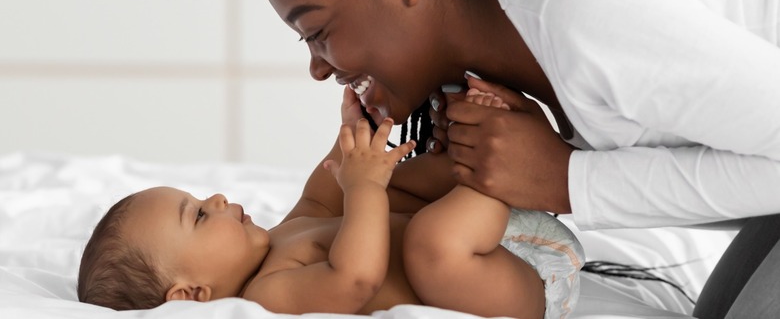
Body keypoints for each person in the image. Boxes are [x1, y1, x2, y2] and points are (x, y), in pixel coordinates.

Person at [261, 0, 780, 317]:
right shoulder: (538, 38)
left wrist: (567, 181)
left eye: (317, 31)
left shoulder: (585, 14)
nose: (317, 67)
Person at [77, 87, 584, 319]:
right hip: (518, 281)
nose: (216, 197)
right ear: (192, 295)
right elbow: (354, 279)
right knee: (425, 239)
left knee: (392, 182)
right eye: (199, 215)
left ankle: (467, 154)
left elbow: (323, 195)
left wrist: (353, 132)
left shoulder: (276, 240)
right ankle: (495, 168)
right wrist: (363, 190)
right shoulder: (267, 297)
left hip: (494, 237)